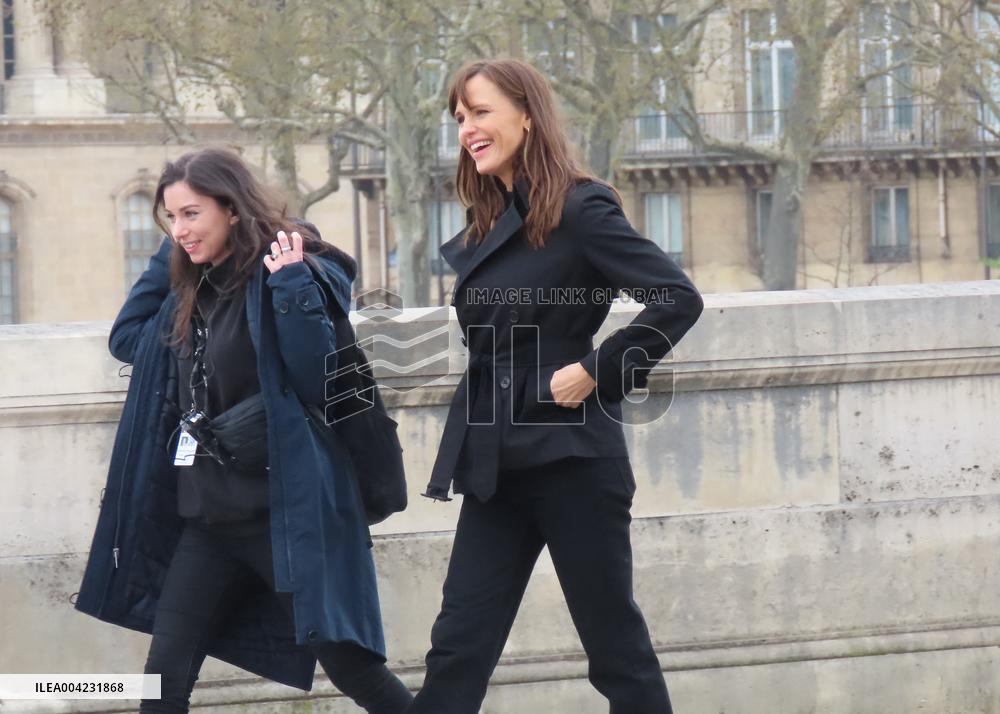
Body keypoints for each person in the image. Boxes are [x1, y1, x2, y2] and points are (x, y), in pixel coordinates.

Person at [410, 60, 704, 714]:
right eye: (459, 118)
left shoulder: (580, 207)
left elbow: (676, 299)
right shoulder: (490, 221)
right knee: (457, 648)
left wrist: (599, 370)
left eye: (480, 112)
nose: (468, 129)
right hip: (496, 461)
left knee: (616, 654)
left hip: (573, 461)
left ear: (525, 113)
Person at [74, 148, 413, 713]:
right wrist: (178, 248)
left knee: (357, 673)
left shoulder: (284, 275)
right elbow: (128, 335)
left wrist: (292, 287)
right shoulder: (189, 294)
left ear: (232, 209)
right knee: (161, 685)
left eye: (192, 214)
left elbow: (315, 380)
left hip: (280, 518)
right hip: (207, 521)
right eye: (170, 217)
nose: (180, 229)